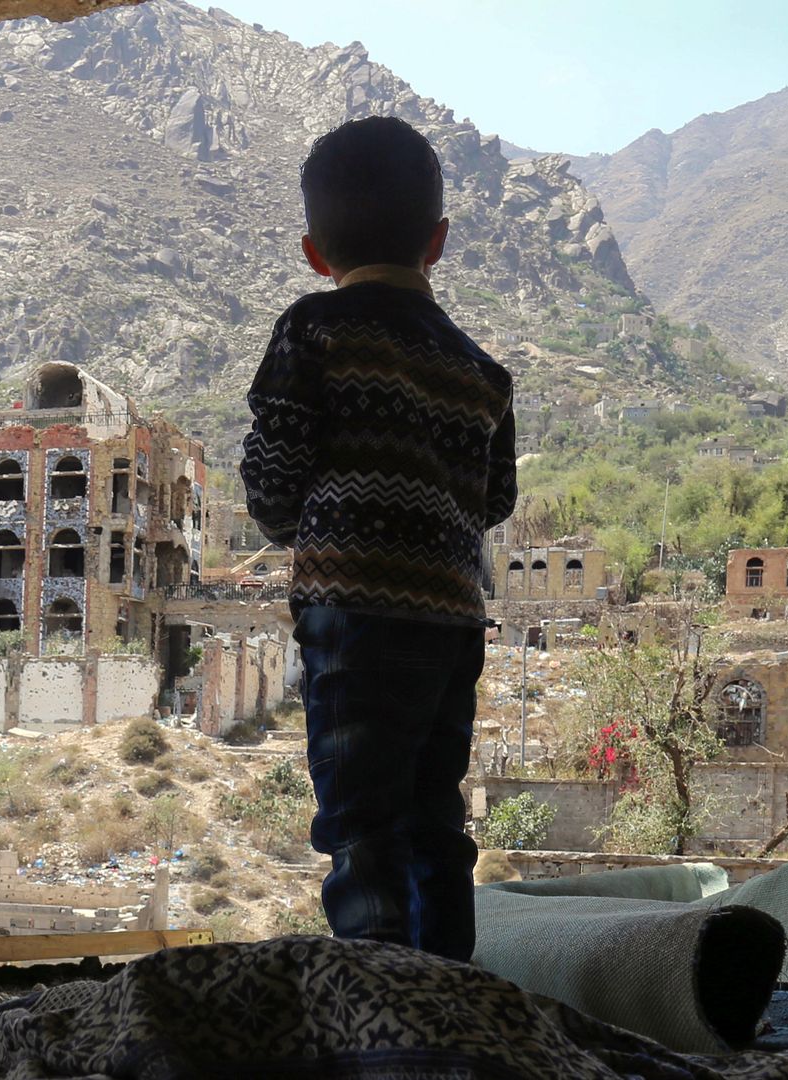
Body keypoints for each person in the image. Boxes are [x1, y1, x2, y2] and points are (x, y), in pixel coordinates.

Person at [239, 115, 518, 962]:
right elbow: (494, 500)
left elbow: (275, 480)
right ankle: (450, 1000)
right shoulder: (481, 371)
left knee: (362, 824)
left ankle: (383, 1004)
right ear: (436, 242)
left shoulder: (313, 331)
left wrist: (307, 526)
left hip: (352, 621)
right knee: (437, 820)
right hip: (450, 625)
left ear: (313, 254)